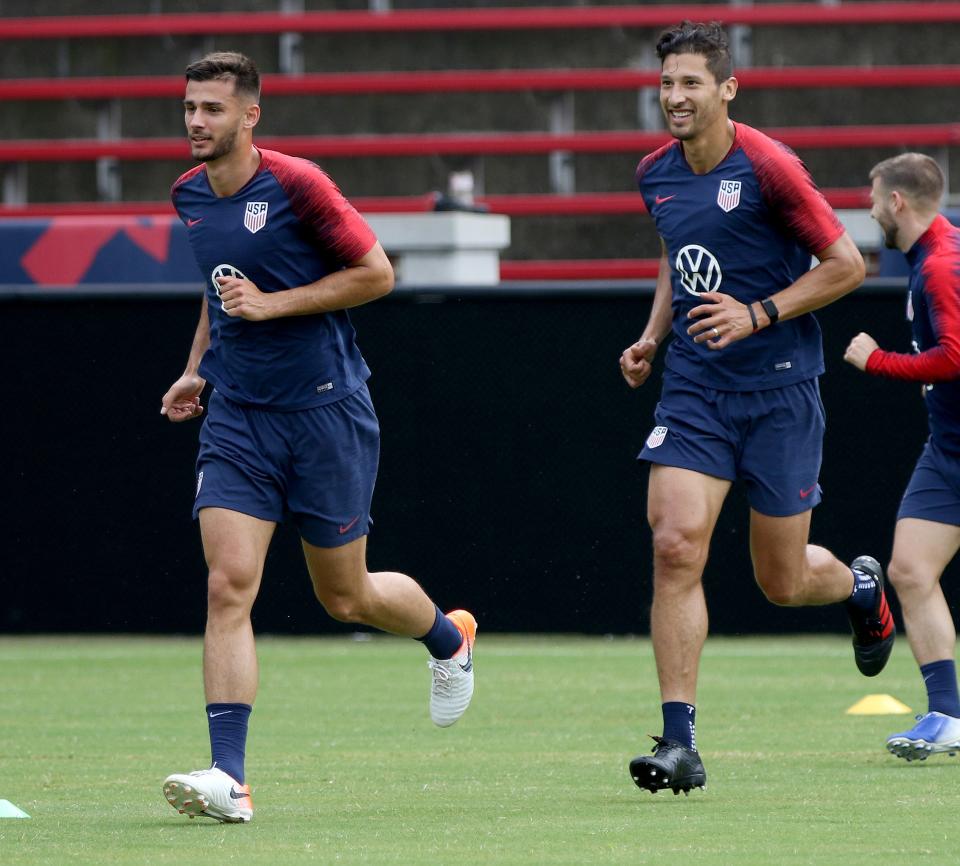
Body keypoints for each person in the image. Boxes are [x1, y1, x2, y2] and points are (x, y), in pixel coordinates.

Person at [159, 52, 476, 823]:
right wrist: (196, 368)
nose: (197, 121)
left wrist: (275, 305)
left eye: (212, 109)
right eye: (190, 107)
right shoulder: (188, 195)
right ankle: (229, 779)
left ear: (250, 116)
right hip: (238, 417)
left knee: (346, 595)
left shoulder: (298, 185)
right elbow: (219, 290)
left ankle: (448, 637)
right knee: (228, 583)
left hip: (327, 412)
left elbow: (376, 274)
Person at [618, 21, 894, 795]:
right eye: (667, 82)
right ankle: (679, 744)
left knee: (781, 580)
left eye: (691, 83)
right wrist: (651, 337)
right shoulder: (655, 173)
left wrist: (758, 313)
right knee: (674, 545)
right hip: (697, 391)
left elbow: (847, 265)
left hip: (779, 392)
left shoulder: (769, 166)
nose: (674, 96)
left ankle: (860, 588)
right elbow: (680, 257)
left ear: (727, 89)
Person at [844, 153, 960, 762]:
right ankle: (949, 715)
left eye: (872, 196)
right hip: (947, 449)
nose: (867, 208)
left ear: (897, 203)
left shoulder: (941, 265)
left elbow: (955, 356)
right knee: (911, 570)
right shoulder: (937, 256)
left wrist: (878, 361)